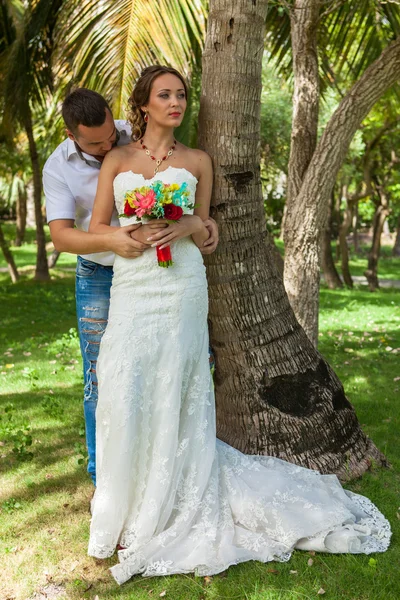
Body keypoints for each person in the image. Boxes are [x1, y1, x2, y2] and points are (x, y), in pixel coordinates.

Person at [87, 65, 390, 584]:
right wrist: (129, 234)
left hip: (181, 284)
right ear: (143, 104)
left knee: (178, 385)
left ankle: (175, 498)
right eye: (165, 95)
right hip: (134, 286)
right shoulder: (117, 159)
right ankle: (126, 508)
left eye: (181, 94)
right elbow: (97, 229)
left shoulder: (198, 161)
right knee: (124, 384)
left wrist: (187, 223)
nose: (176, 102)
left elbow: (209, 236)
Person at [43, 89, 219, 486]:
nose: (108, 145)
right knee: (102, 373)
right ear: (72, 136)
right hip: (100, 272)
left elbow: (193, 205)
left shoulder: (134, 135)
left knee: (176, 364)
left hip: (165, 273)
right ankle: (103, 480)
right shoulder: (58, 168)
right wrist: (112, 240)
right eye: (96, 143)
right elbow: (63, 238)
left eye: (111, 135)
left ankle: (172, 467)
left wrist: (199, 223)